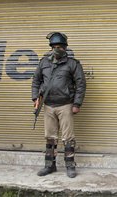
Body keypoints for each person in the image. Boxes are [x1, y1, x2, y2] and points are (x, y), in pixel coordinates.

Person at [32, 32, 86, 178]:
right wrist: (35, 98)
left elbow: (81, 84)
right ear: (50, 48)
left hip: (65, 105)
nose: (58, 49)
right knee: (50, 137)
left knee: (68, 138)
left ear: (65, 48)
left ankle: (70, 166)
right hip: (48, 105)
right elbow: (36, 81)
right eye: (55, 46)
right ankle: (50, 165)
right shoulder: (43, 63)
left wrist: (77, 103)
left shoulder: (72, 64)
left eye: (61, 46)